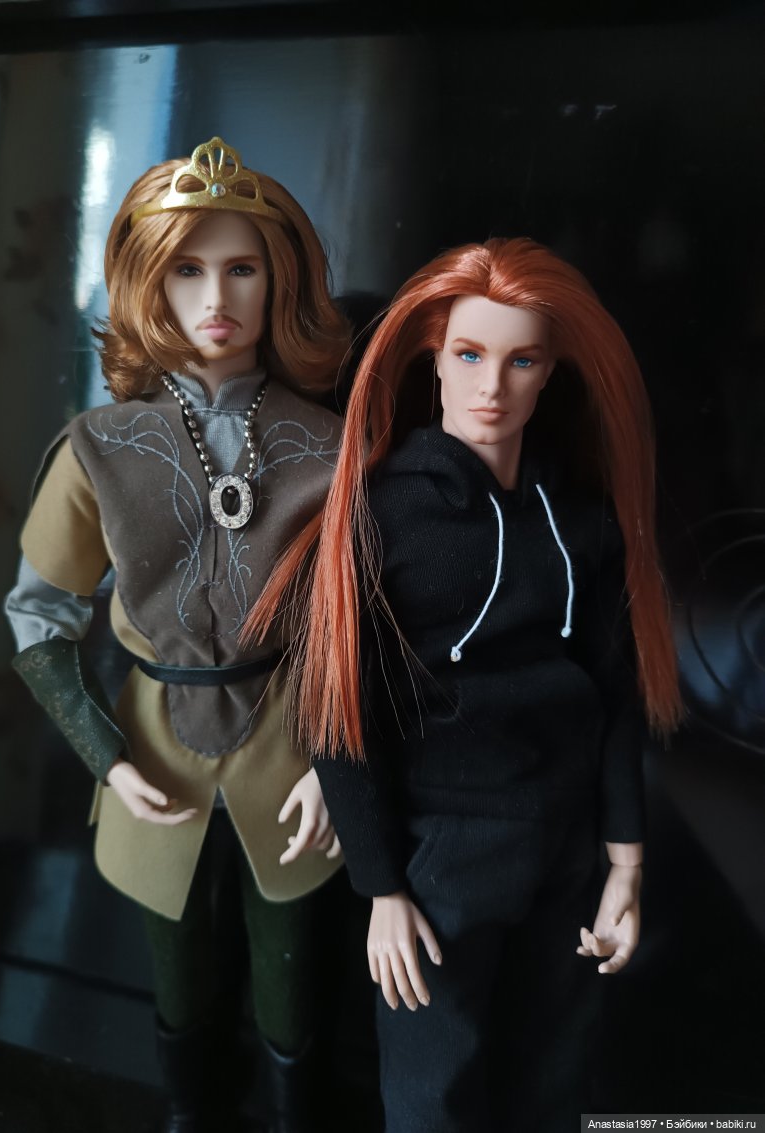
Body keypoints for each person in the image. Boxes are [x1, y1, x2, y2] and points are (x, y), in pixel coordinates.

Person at [246, 237, 682, 1132]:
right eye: (470, 355)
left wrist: (626, 860)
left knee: (552, 1075)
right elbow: (338, 714)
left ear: (550, 371)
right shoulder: (384, 516)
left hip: (564, 844)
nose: (493, 387)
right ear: (432, 358)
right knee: (433, 1089)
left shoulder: (581, 523)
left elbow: (615, 696)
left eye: (522, 361)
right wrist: (382, 888)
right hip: (442, 847)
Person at [5, 137, 350, 1133]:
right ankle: (192, 1110)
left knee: (291, 972)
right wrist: (105, 757)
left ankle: (292, 1112)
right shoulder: (99, 445)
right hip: (154, 746)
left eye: (242, 268)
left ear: (279, 279)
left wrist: (337, 761)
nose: (216, 297)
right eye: (187, 270)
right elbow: (39, 614)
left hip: (293, 746)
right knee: (178, 970)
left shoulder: (334, 444)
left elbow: (362, 625)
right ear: (148, 282)